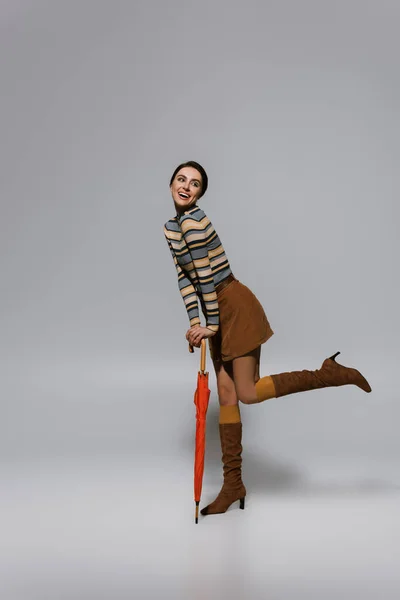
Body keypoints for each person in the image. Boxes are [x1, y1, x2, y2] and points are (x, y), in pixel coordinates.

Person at [163, 160, 372, 517]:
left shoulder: (195, 223)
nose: (186, 186)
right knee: (227, 395)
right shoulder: (172, 228)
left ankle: (329, 373)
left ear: (201, 193)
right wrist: (195, 324)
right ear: (171, 184)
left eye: (194, 183)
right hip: (215, 311)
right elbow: (186, 280)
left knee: (245, 391)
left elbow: (208, 280)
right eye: (181, 179)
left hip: (234, 306)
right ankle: (233, 485)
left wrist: (210, 323)